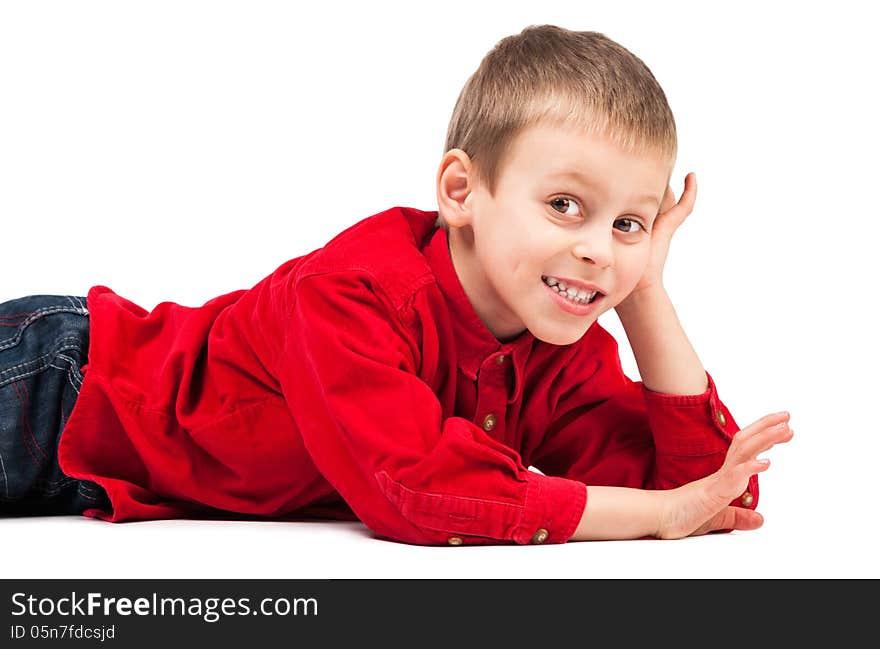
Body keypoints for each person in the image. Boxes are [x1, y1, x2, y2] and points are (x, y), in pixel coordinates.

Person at [0, 24, 792, 545]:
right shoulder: (351, 292)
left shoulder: (558, 346)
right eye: (564, 205)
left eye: (628, 223)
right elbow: (412, 486)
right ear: (461, 191)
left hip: (86, 477)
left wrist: (647, 290)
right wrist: (652, 517)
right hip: (58, 382)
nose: (598, 250)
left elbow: (707, 490)